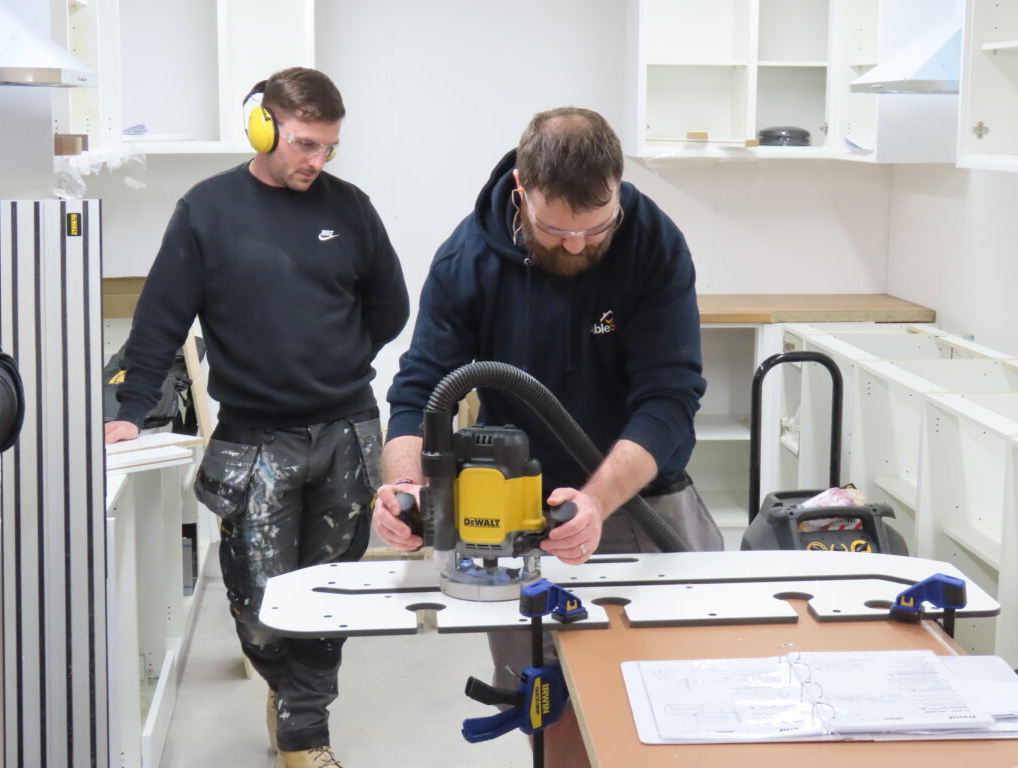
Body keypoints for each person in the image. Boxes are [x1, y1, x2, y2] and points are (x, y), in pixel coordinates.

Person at [372, 107, 722, 767]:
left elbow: (670, 398)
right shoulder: (468, 259)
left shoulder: (652, 242)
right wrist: (407, 488)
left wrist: (594, 502)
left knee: (681, 702)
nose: (576, 246)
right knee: (549, 708)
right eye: (556, 228)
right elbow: (419, 391)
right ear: (520, 193)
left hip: (644, 499)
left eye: (595, 228)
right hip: (518, 514)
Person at [105, 67, 409, 768]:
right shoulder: (207, 212)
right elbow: (159, 319)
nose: (317, 161)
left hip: (345, 433)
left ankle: (306, 734)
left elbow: (391, 308)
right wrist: (129, 411)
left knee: (333, 597)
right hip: (253, 442)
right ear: (263, 127)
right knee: (260, 607)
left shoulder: (351, 208)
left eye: (329, 147)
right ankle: (284, 687)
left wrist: (331, 359)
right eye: (304, 144)